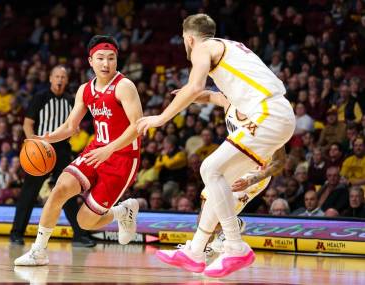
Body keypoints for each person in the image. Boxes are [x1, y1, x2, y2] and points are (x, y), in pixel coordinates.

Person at [137, 13, 295, 277]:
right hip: (276, 113)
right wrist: (196, 97)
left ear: (188, 39)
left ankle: (235, 246)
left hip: (267, 114)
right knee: (214, 185)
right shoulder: (229, 46)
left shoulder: (202, 48)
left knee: (209, 169)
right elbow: (209, 93)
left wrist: (161, 118)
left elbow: (195, 85)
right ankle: (195, 251)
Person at [15, 35, 143, 266]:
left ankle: (123, 211)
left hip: (122, 158)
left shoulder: (124, 86)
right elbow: (70, 127)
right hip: (95, 151)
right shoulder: (85, 90)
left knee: (84, 222)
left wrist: (110, 150)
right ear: (90, 61)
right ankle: (39, 251)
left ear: (117, 60)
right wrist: (45, 138)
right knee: (59, 190)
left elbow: (138, 127)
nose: (106, 64)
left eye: (111, 58)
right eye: (101, 58)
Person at [10, 65, 95, 247]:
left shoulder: (71, 100)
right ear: (50, 78)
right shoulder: (40, 97)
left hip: (63, 150)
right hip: (42, 149)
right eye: (56, 76)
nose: (59, 80)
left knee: (68, 191)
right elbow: (27, 124)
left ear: (66, 80)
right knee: (29, 193)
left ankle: (79, 235)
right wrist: (32, 143)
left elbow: (74, 125)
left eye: (63, 77)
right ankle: (16, 233)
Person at [192, 89, 286, 254]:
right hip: (235, 163)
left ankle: (205, 246)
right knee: (206, 203)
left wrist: (252, 180)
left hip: (256, 171)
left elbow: (280, 162)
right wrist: (186, 96)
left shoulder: (268, 119)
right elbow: (209, 96)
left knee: (217, 214)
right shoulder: (230, 102)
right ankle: (220, 235)